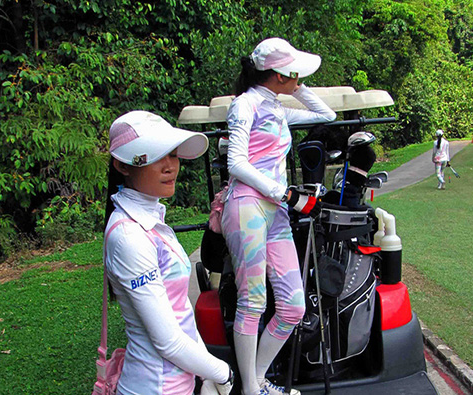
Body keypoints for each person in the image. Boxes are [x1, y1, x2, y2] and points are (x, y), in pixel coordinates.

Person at [221, 37, 336, 395]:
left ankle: (253, 381)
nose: (298, 76)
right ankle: (253, 391)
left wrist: (298, 87)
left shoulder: (276, 107)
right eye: (294, 71)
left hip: (275, 213)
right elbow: (236, 162)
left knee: (292, 307)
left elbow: (326, 115)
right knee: (252, 301)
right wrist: (281, 193)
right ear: (278, 73)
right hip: (248, 207)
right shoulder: (245, 106)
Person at [103, 110, 234, 395]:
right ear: (123, 165)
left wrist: (204, 371)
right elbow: (168, 341)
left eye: (173, 154)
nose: (170, 166)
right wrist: (223, 373)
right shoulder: (130, 237)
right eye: (155, 156)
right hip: (155, 387)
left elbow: (181, 313)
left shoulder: (151, 221)